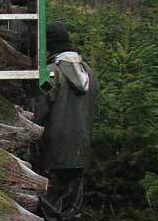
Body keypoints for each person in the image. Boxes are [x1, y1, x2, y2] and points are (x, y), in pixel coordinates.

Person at [34, 23, 98, 220]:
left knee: (50, 207)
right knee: (72, 208)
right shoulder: (90, 74)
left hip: (53, 152)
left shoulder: (50, 74)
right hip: (81, 150)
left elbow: (38, 111)